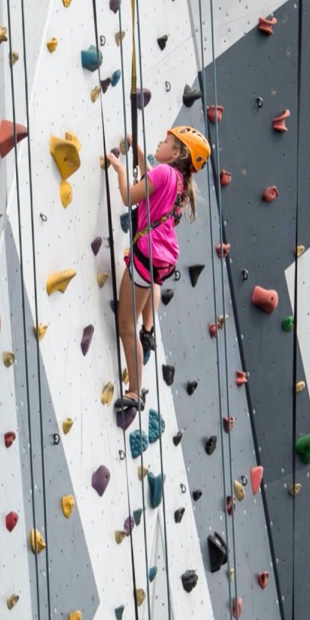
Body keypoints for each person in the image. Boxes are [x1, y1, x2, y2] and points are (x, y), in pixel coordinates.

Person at [101, 125, 210, 413]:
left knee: (126, 325)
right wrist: (138, 152)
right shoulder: (180, 184)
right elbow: (153, 178)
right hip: (161, 260)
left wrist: (120, 169)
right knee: (151, 287)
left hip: (145, 258)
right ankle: (148, 328)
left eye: (165, 141)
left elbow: (128, 196)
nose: (159, 143)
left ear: (176, 153)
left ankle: (136, 391)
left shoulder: (164, 173)